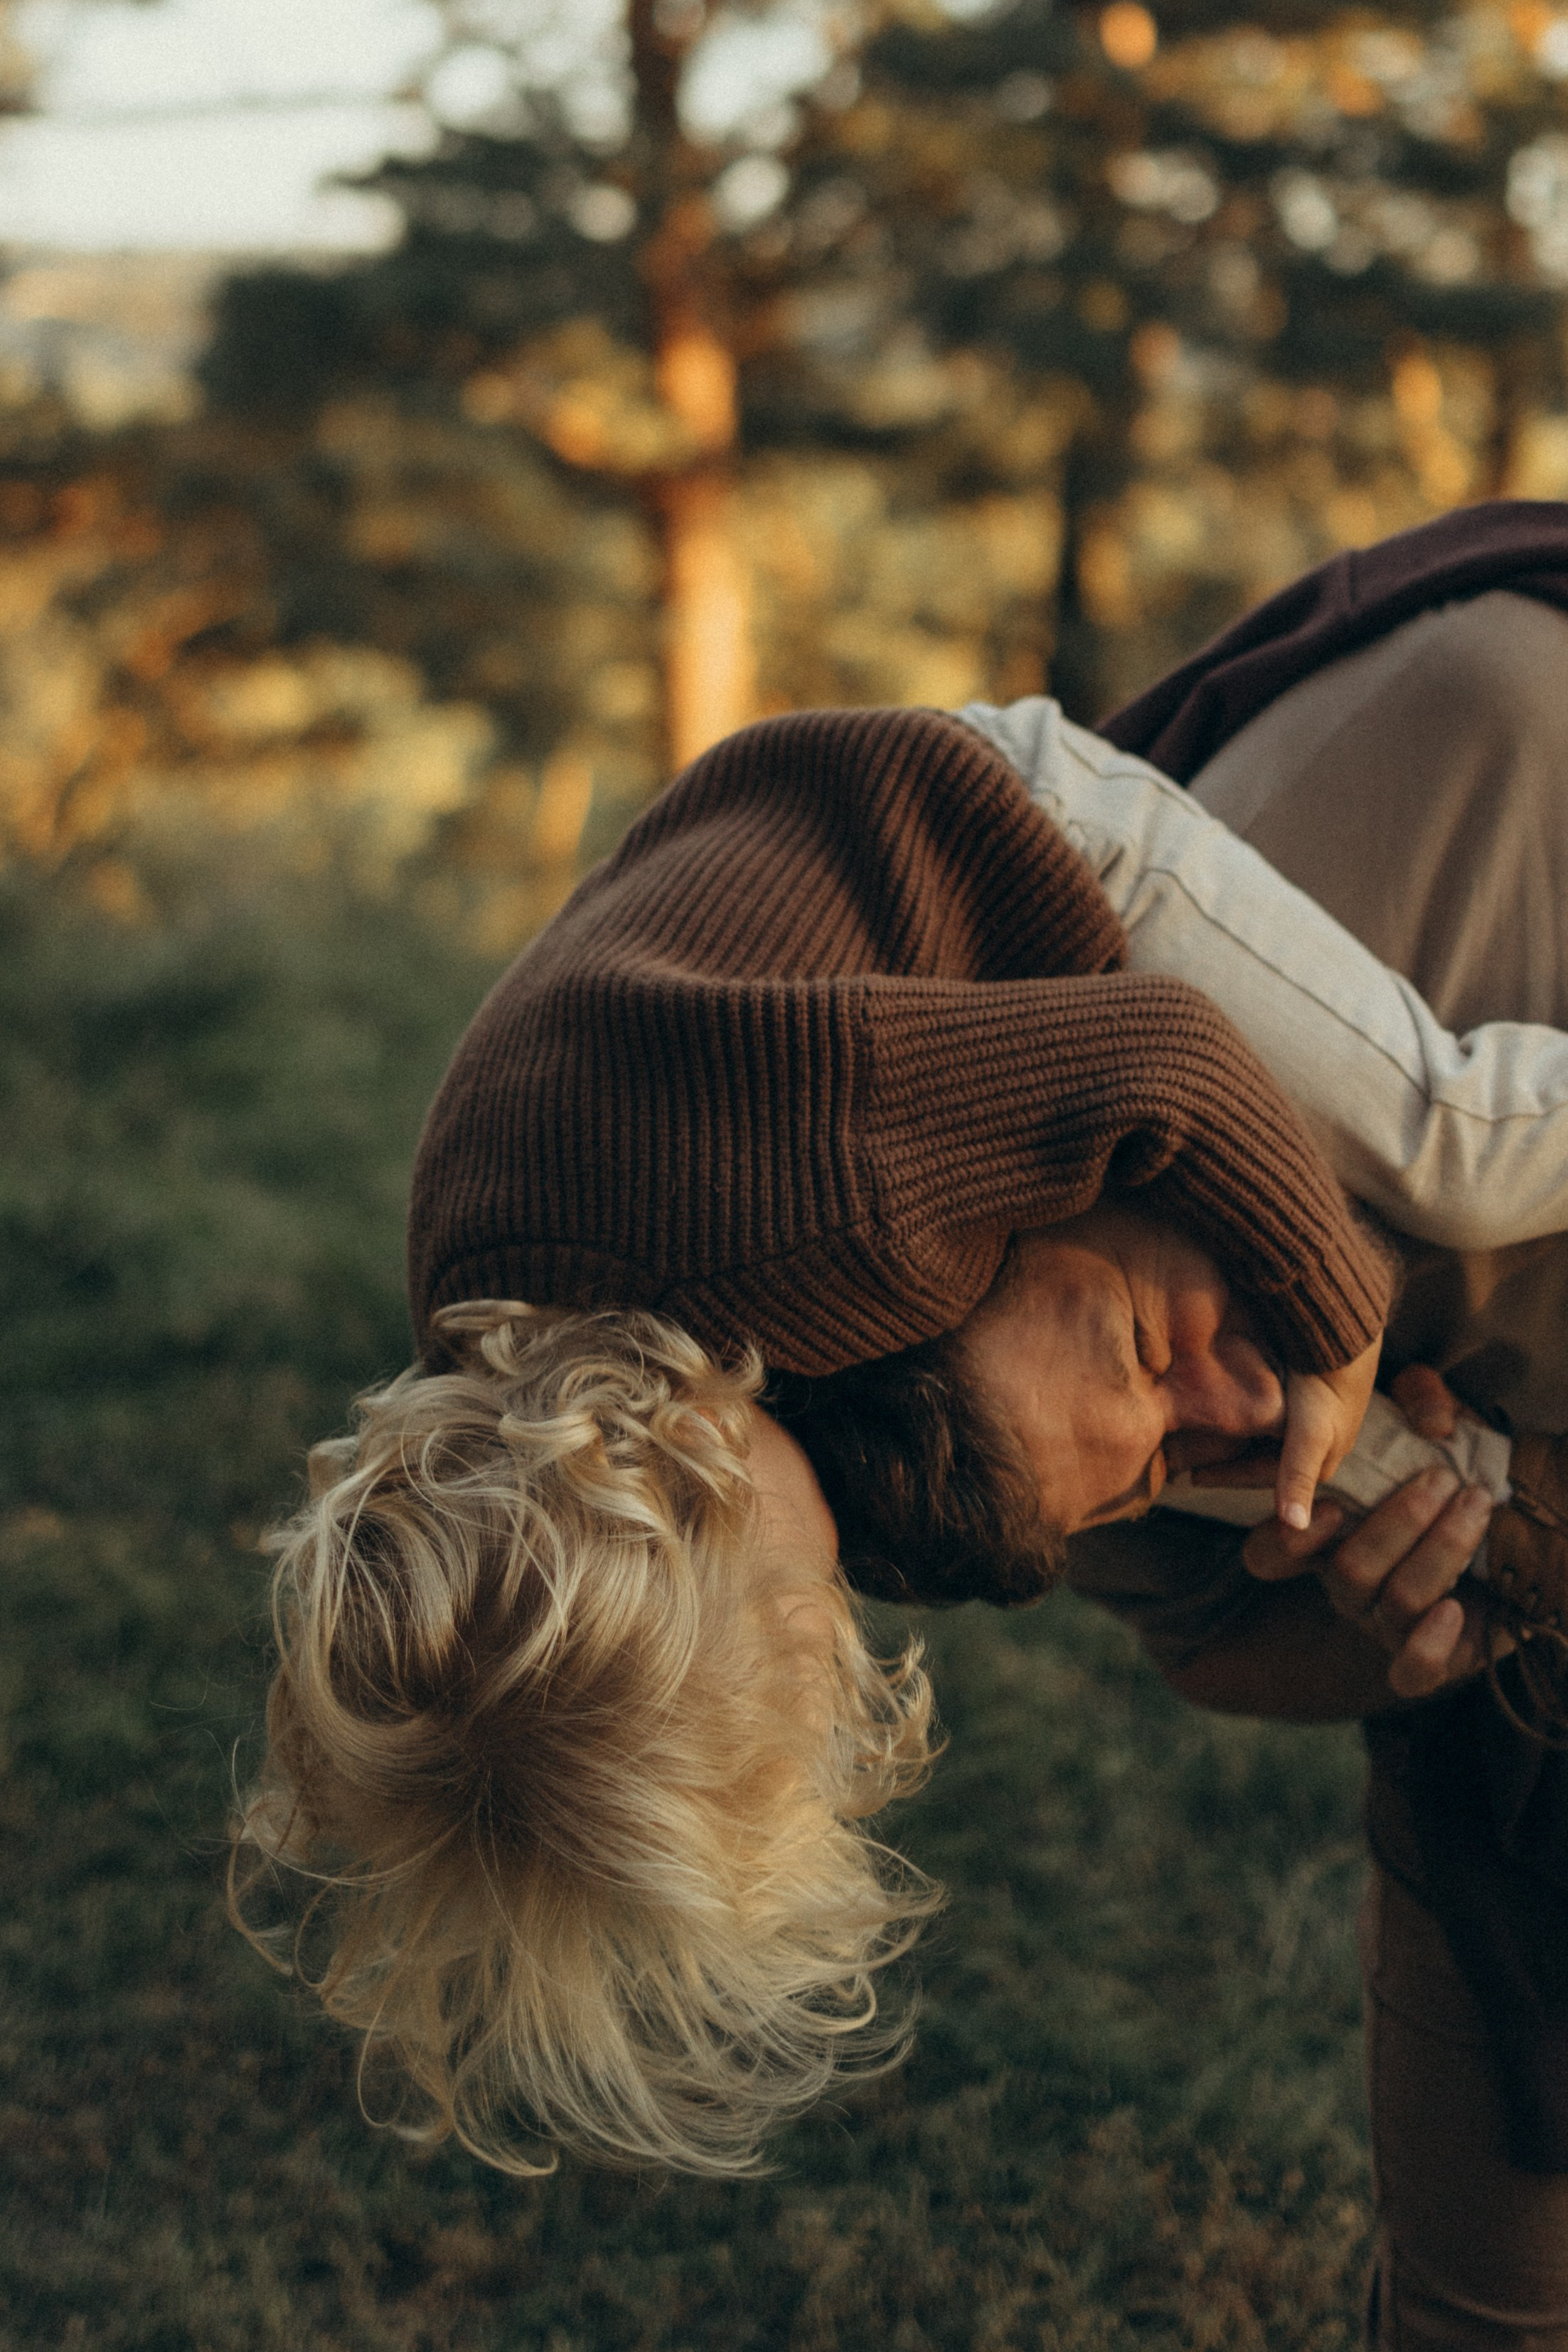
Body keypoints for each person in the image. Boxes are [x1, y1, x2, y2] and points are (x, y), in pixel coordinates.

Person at [234, 501, 1568, 2344]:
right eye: (846, 1639)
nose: (841, 1621)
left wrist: (1335, 1326)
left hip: (1044, 826)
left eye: (799, 1625)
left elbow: (1171, 1057)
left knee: (1468, 1146)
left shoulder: (847, 1209)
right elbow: (1219, 1620)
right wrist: (1432, 1567)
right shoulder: (857, 1431)